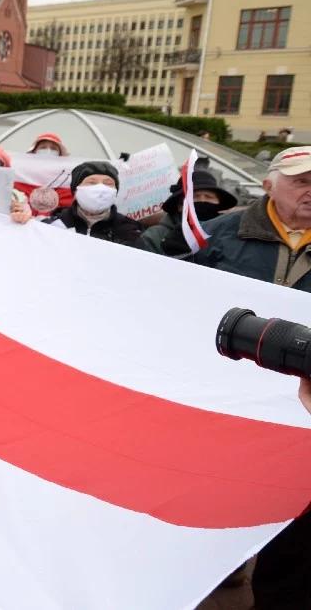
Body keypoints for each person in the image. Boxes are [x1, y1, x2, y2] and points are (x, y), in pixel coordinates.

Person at [160, 147, 311, 608]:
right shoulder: (220, 234)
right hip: (231, 393)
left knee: (295, 534)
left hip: (303, 404)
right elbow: (162, 284)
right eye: (301, 181)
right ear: (269, 185)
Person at [136, 160, 237, 256]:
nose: (202, 201)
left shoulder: (232, 234)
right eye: (194, 197)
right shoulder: (155, 235)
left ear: (219, 204)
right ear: (180, 206)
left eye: (209, 197)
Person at [37, 161, 142, 244]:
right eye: (91, 182)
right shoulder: (52, 225)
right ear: (76, 190)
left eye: (108, 183)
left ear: (115, 192)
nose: (100, 188)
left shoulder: (129, 229)